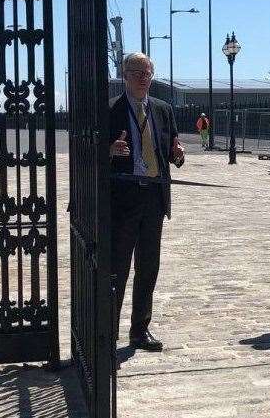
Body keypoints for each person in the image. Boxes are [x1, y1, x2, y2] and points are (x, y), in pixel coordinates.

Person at [108, 52, 185, 351]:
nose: (143, 77)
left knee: (148, 267)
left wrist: (177, 155)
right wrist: (109, 150)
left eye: (147, 72)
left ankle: (140, 329)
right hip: (123, 201)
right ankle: (108, 332)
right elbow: (86, 149)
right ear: (125, 75)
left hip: (153, 199)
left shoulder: (164, 109)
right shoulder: (110, 109)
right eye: (136, 71)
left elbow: (171, 149)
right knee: (118, 268)